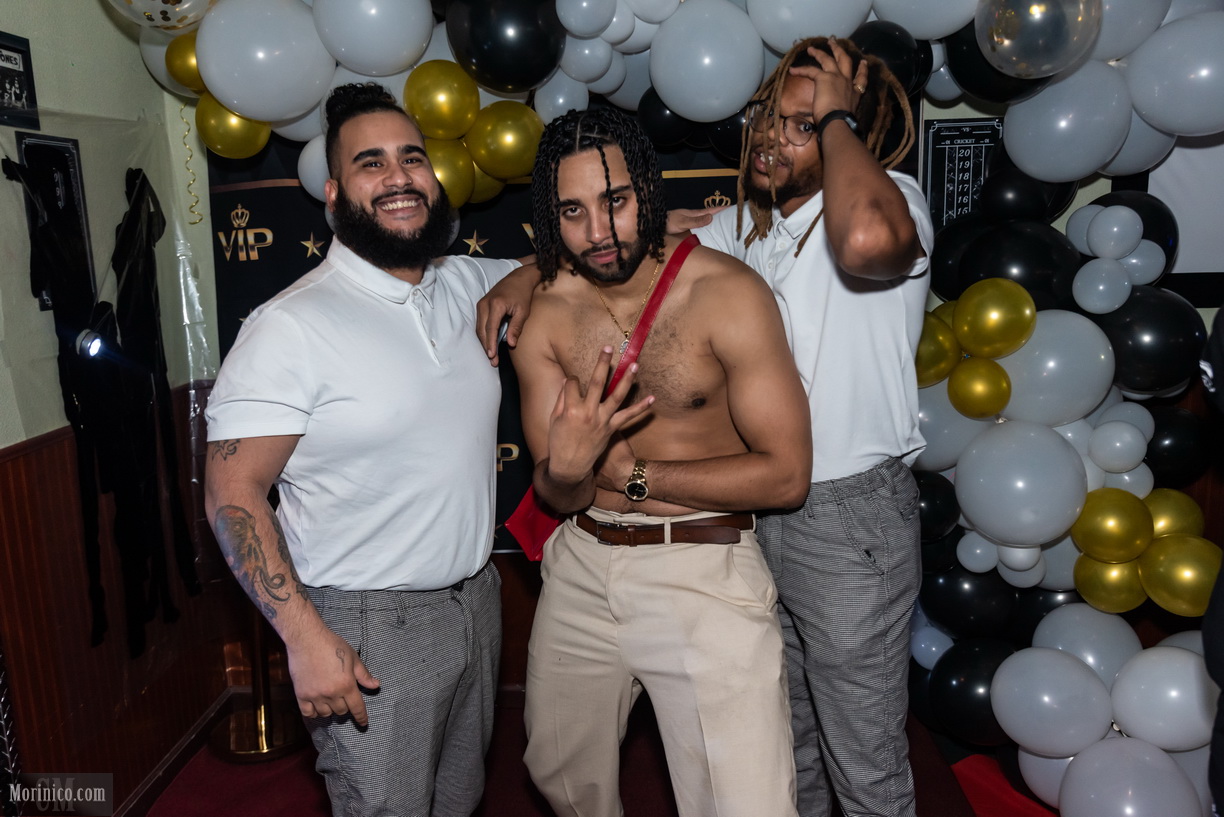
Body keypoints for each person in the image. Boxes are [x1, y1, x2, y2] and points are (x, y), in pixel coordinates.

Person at [204, 83, 531, 817]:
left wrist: (531, 274)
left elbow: (557, 260)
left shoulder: (464, 282)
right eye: (370, 163)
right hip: (367, 628)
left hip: (476, 604)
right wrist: (303, 638)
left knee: (460, 801)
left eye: (411, 158)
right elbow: (231, 493)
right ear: (333, 193)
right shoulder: (289, 326)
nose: (398, 177)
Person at [511, 106, 812, 817]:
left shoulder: (727, 294)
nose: (599, 231)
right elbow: (559, 494)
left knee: (744, 805)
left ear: (647, 188)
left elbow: (786, 475)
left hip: (702, 568)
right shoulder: (546, 313)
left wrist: (634, 478)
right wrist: (568, 470)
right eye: (574, 211)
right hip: (582, 567)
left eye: (614, 200)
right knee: (563, 778)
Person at [688, 36, 935, 817]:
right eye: (772, 115)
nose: (771, 136)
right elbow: (640, 246)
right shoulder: (754, 228)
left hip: (851, 518)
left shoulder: (890, 201)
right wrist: (526, 276)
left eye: (806, 124)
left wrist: (835, 121)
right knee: (790, 747)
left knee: (864, 767)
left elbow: (865, 244)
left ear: (853, 129)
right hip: (768, 508)